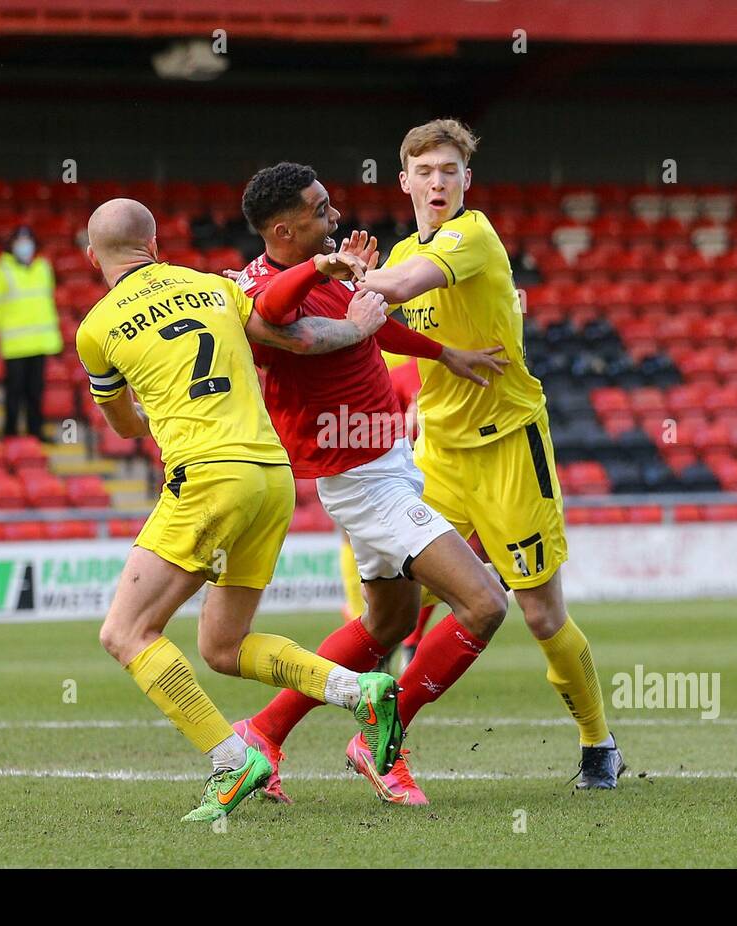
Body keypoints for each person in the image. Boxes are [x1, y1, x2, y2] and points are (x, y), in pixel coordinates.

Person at [76, 197, 404, 821]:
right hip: (271, 475)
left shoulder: (96, 328)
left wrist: (155, 407)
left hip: (206, 478)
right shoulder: (214, 287)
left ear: (94, 257)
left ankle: (235, 761)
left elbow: (122, 426)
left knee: (125, 632)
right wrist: (362, 327)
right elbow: (296, 337)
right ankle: (358, 689)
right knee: (223, 646)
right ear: (156, 243)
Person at [229, 162, 510, 805]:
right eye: (321, 208)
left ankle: (264, 736)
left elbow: (372, 318)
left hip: (389, 465)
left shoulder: (320, 270)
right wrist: (325, 273)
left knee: (389, 622)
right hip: (363, 481)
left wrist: (445, 354)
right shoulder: (259, 290)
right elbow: (276, 308)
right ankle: (381, 740)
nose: (335, 217)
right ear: (283, 228)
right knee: (486, 603)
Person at [357, 119, 625, 789]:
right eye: (425, 171)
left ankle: (599, 741)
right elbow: (378, 341)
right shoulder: (391, 254)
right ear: (405, 181)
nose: (438, 182)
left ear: (466, 180)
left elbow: (404, 285)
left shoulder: (471, 237)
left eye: (450, 170)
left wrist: (354, 281)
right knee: (396, 609)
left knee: (540, 613)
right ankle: (383, 742)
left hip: (509, 447)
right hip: (438, 456)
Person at [0, 225, 62, 440]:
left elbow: (48, 300)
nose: (25, 245)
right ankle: (10, 433)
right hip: (15, 344)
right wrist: (7, 328)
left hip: (41, 341)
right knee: (14, 392)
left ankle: (35, 432)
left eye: (28, 239)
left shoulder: (43, 268)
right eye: (20, 240)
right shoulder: (0, 272)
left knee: (36, 392)